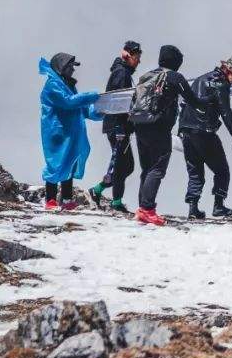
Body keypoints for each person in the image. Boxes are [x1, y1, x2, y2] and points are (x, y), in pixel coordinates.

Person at [130, 45, 200, 226]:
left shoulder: (146, 76)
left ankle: (142, 209)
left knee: (146, 168)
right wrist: (210, 102)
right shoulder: (175, 77)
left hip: (140, 125)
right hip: (158, 127)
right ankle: (147, 209)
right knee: (157, 168)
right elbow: (192, 100)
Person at [179, 57, 232, 219]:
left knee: (195, 171)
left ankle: (193, 209)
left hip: (187, 132)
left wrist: (181, 130)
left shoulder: (200, 79)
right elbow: (226, 114)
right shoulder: (221, 84)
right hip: (204, 133)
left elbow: (184, 104)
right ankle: (218, 206)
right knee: (222, 171)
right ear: (229, 71)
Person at [39, 53, 102, 210]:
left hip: (70, 133)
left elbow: (83, 109)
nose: (73, 70)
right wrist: (92, 96)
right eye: (70, 66)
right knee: (56, 163)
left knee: (70, 163)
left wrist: (101, 111)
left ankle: (67, 199)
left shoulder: (67, 85)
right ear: (62, 67)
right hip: (57, 133)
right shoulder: (52, 85)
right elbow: (68, 102)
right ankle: (51, 199)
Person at [89, 40, 142, 213]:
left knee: (126, 165)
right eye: (136, 57)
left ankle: (98, 191)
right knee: (124, 165)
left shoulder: (122, 72)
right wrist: (122, 125)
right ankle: (115, 202)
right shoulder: (122, 73)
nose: (138, 61)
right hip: (118, 127)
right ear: (127, 55)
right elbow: (119, 101)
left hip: (117, 126)